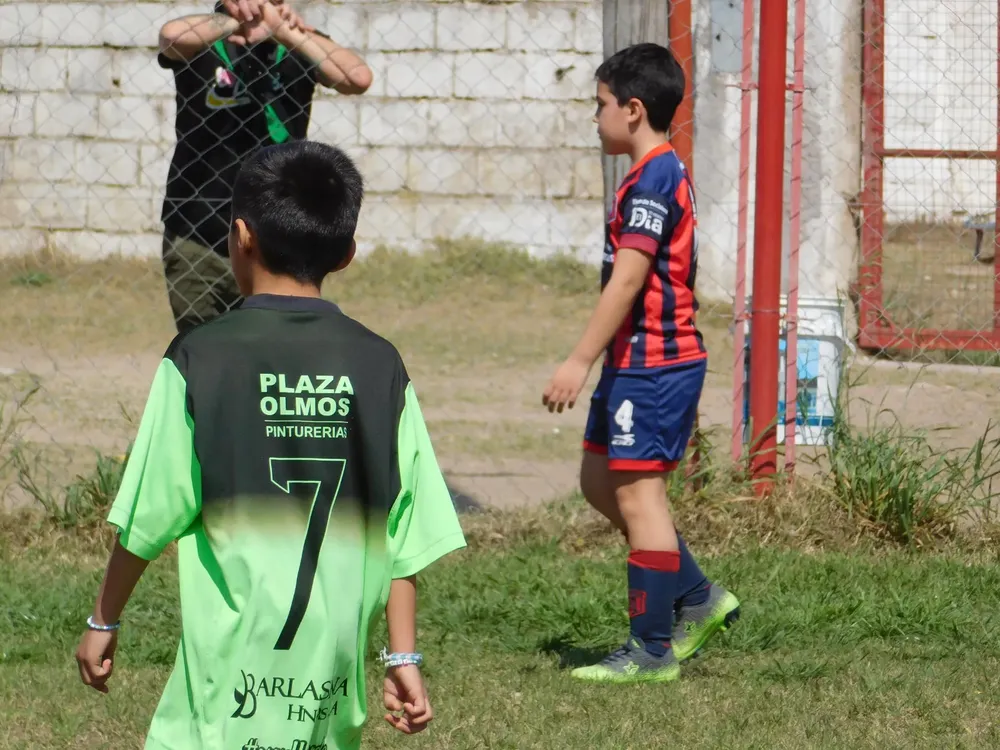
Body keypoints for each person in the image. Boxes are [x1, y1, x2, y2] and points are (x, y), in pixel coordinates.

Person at [74, 141, 467, 749]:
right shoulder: (380, 365)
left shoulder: (199, 358)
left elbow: (147, 514)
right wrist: (402, 655)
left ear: (240, 236)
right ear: (347, 252)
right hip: (327, 685)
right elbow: (402, 532)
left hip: (226, 686)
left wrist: (104, 618)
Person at [542, 43, 740, 683]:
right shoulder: (647, 171)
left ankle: (652, 649)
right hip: (633, 364)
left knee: (640, 496)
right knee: (602, 485)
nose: (593, 118)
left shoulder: (654, 177)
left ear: (632, 109)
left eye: (599, 106)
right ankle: (700, 596)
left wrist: (578, 359)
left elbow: (627, 281)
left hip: (655, 366)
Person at [156, 0, 372, 333]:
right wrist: (235, 21)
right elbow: (171, 36)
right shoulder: (206, 38)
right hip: (199, 230)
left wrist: (282, 31)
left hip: (281, 239)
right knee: (202, 349)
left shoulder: (298, 42)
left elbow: (356, 77)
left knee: (274, 350)